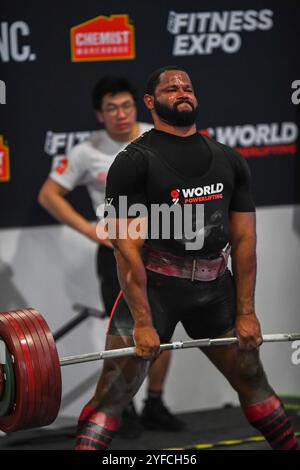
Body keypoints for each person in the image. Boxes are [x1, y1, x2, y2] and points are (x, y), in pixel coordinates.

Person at [74, 66, 300, 451]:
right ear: (151, 101)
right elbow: (126, 247)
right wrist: (144, 322)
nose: (182, 91)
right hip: (155, 290)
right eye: (171, 87)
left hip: (215, 291)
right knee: (115, 391)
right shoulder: (132, 162)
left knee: (252, 377)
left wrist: (246, 312)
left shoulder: (228, 159)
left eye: (188, 87)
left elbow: (245, 239)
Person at [38, 75, 184, 437]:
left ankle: (155, 403)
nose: (120, 114)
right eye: (111, 108)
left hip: (163, 248)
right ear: (99, 114)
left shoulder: (160, 137)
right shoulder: (86, 152)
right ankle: (126, 409)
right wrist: (90, 229)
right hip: (117, 252)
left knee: (163, 332)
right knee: (127, 333)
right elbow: (49, 195)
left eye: (126, 106)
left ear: (139, 106)